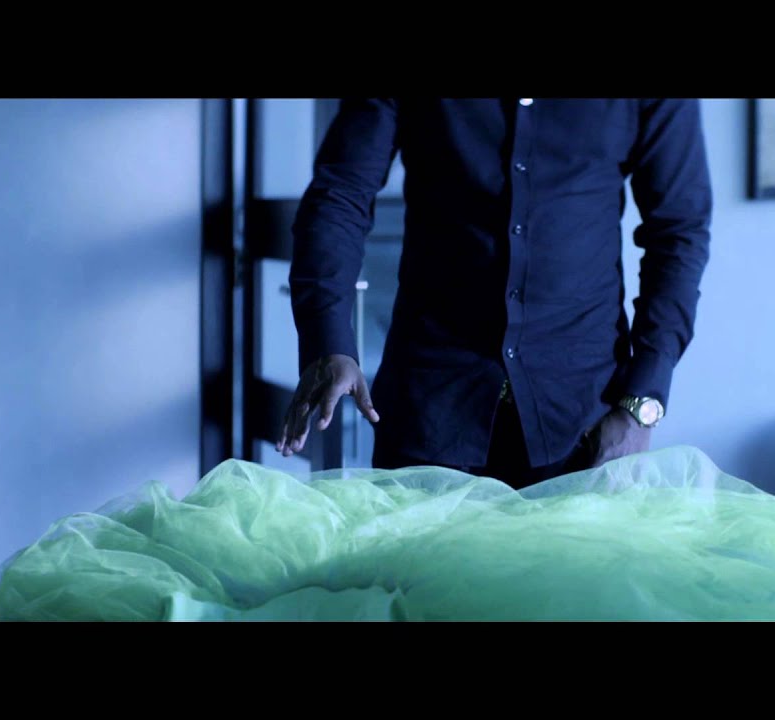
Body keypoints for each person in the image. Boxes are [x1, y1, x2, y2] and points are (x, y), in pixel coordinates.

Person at [277, 98, 712, 489]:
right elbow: (340, 197)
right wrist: (328, 342)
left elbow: (679, 231)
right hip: (430, 411)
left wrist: (641, 404)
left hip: (585, 425)